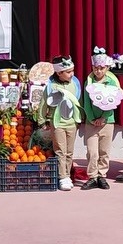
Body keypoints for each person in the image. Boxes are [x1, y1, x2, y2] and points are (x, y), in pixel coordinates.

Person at [36, 55, 82, 191]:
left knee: (69, 151)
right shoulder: (51, 86)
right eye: (68, 72)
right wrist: (42, 120)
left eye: (72, 71)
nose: (71, 74)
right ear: (58, 73)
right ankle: (63, 177)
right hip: (57, 123)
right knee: (60, 151)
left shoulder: (75, 84)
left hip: (72, 122)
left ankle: (67, 175)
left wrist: (79, 119)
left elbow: (78, 102)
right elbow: (44, 104)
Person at [79, 48, 122, 190]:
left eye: (102, 68)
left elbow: (113, 101)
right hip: (92, 123)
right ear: (92, 67)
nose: (98, 71)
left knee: (104, 151)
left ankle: (102, 176)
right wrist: (91, 119)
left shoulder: (112, 81)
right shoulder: (89, 81)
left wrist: (103, 118)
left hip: (107, 122)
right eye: (96, 68)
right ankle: (92, 177)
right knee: (92, 151)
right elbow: (86, 102)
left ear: (107, 67)